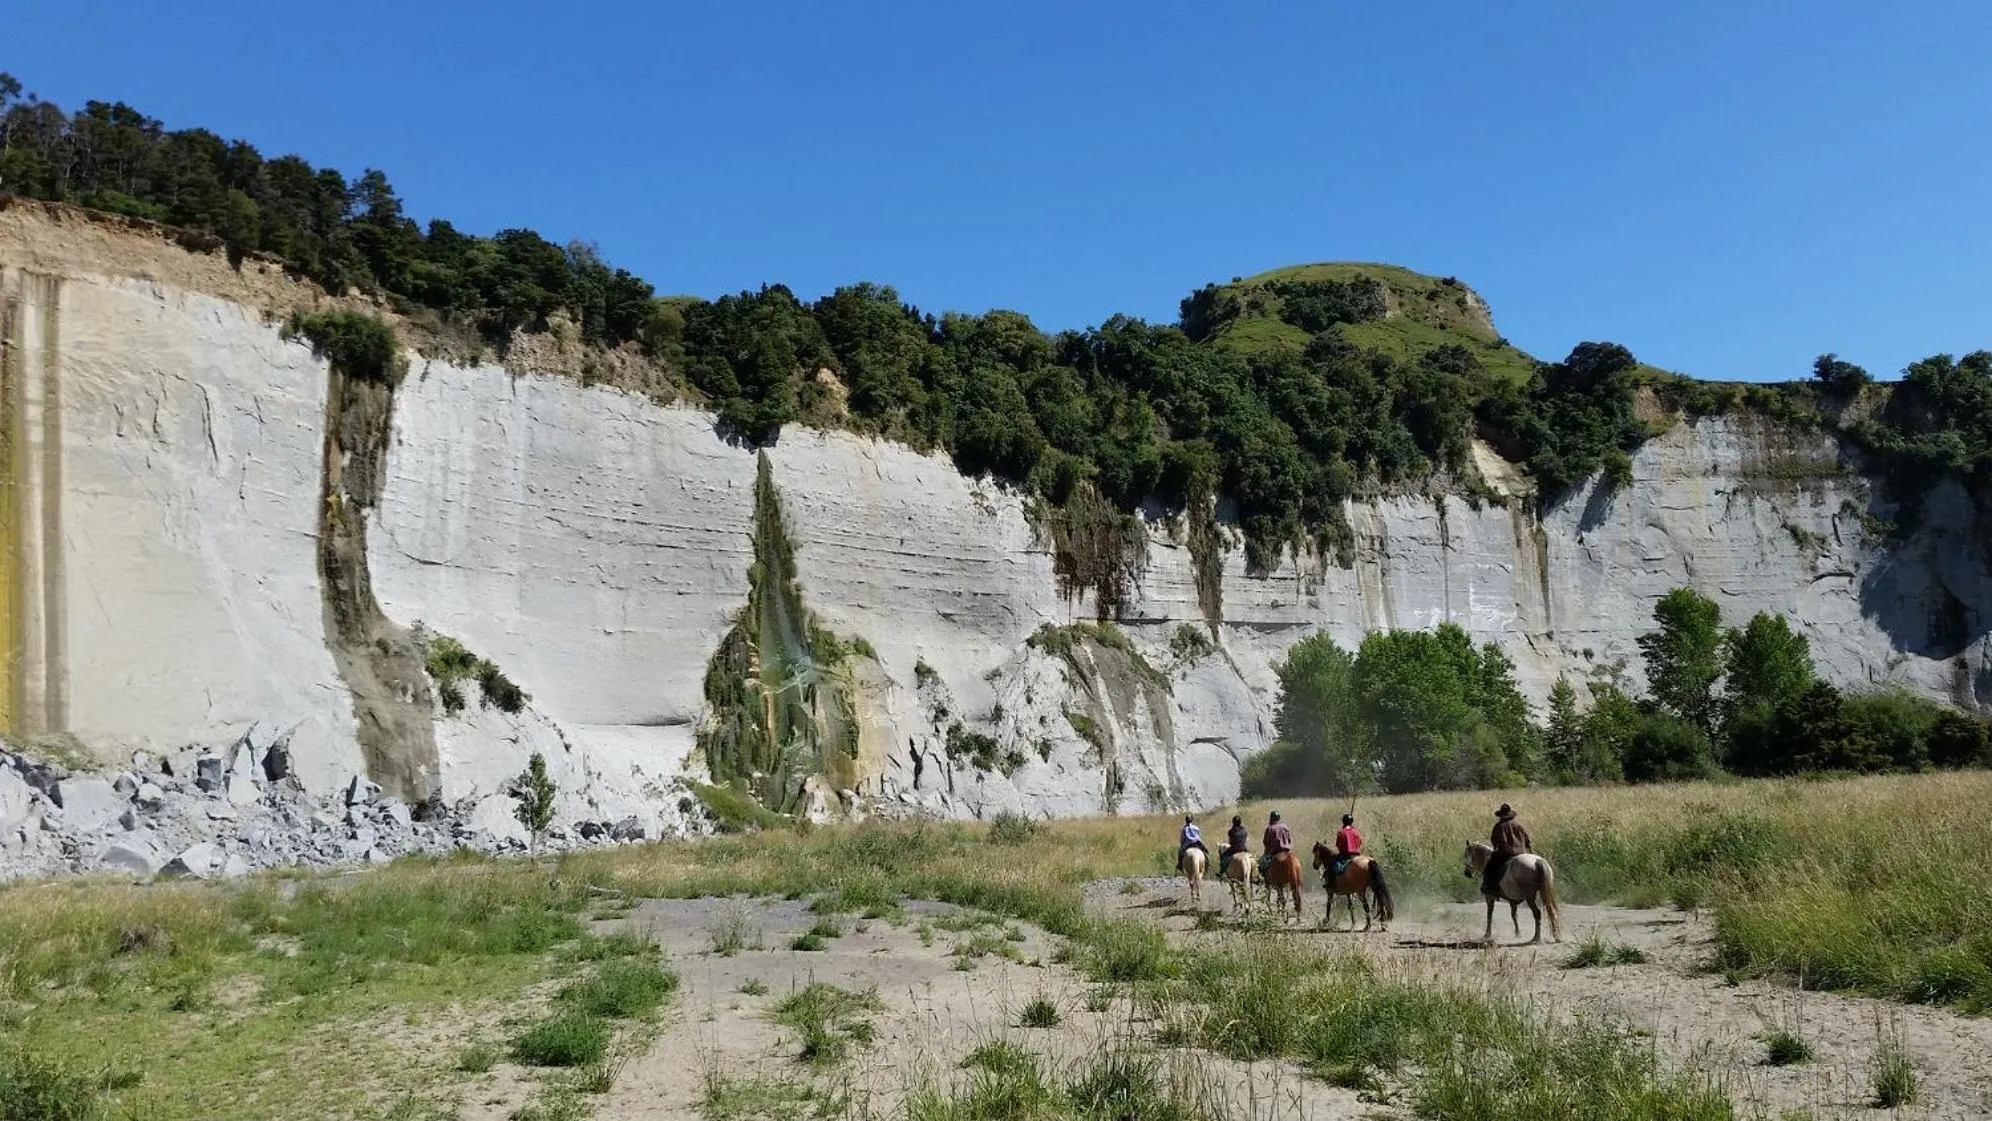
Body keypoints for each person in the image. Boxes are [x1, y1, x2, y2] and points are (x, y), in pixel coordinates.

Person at [1482, 803, 1532, 898]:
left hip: (1506, 854)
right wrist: (1526, 848)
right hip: (1521, 852)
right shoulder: (1518, 825)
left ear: (1501, 816)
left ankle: (1490, 887)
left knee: (1490, 866)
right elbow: (1527, 839)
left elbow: (1494, 841)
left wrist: (1497, 849)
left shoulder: (1499, 826)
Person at [1327, 813, 1362, 882]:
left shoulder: (1341, 832)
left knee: (1331, 865)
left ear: (1343, 822)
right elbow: (1360, 842)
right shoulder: (1356, 832)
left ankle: (1330, 883)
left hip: (1345, 855)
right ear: (1351, 822)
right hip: (1356, 854)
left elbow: (1338, 845)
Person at [1259, 810, 1293, 878]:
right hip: (1286, 851)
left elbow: (1266, 842)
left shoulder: (1269, 828)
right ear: (1279, 818)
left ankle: (1265, 882)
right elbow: (1289, 840)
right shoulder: (1285, 827)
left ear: (1271, 818)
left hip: (1275, 853)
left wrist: (1267, 851)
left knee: (1261, 863)